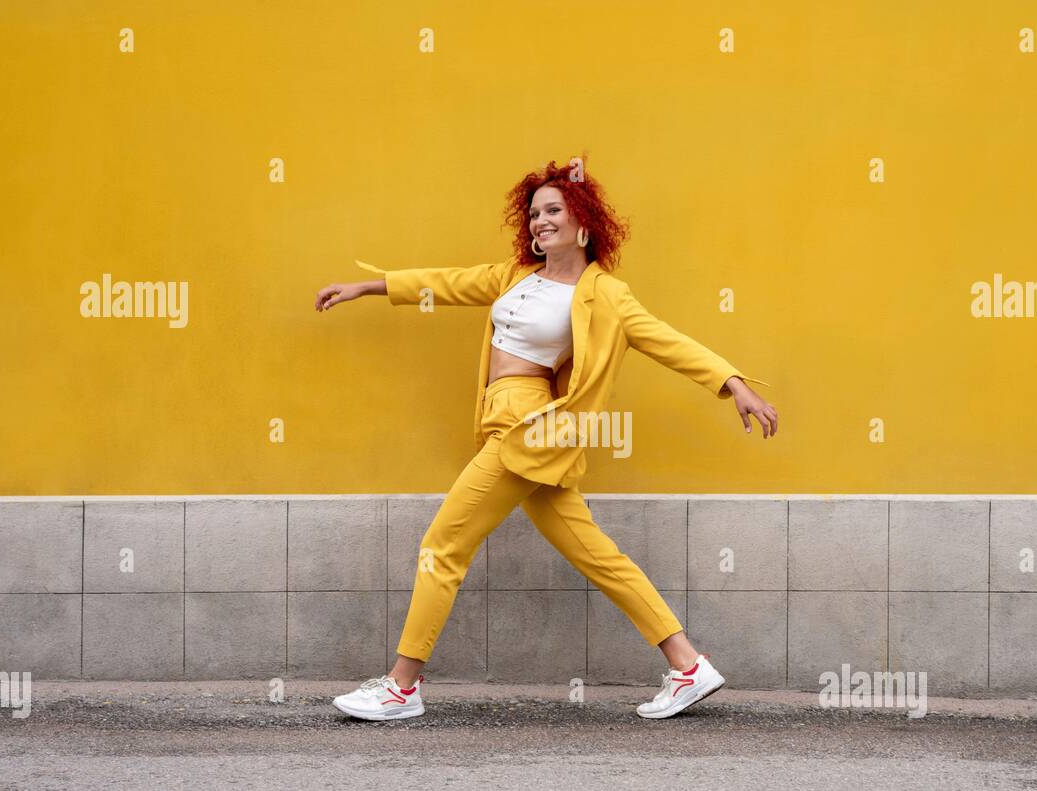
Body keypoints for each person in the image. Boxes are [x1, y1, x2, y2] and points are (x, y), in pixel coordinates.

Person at [312, 158, 778, 721]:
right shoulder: (514, 276)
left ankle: (400, 687)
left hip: (529, 429)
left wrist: (733, 384)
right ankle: (687, 665)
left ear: (583, 222)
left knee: (443, 546)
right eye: (534, 213)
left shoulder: (604, 293)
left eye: (554, 210)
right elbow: (446, 283)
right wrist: (368, 286)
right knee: (598, 554)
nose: (540, 221)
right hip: (503, 419)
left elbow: (666, 340)